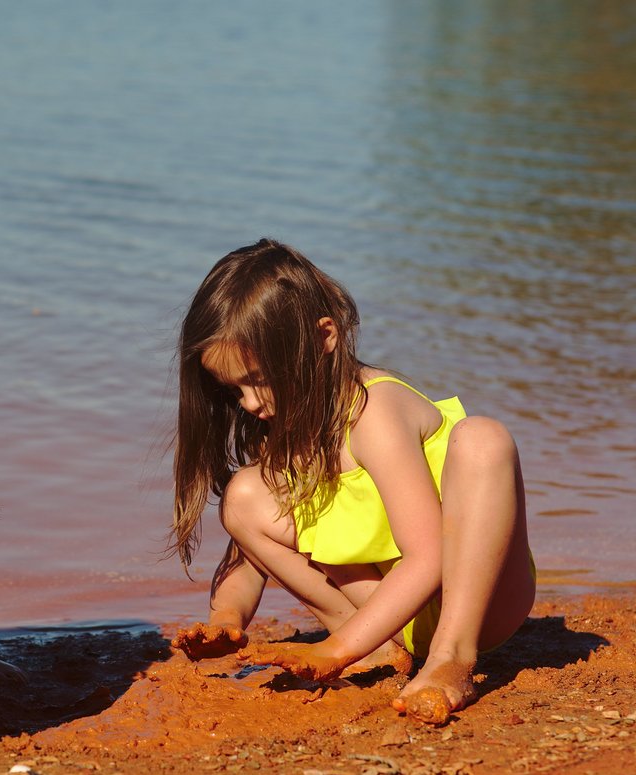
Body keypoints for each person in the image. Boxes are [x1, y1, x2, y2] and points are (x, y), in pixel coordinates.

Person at [169, 239, 535, 724]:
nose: (251, 404)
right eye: (233, 389)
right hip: (391, 618)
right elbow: (246, 556)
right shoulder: (285, 425)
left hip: (480, 600)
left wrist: (334, 651)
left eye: (258, 378)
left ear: (324, 337)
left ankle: (451, 656)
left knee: (483, 439)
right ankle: (375, 646)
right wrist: (227, 620)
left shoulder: (374, 412)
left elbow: (429, 558)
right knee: (244, 497)